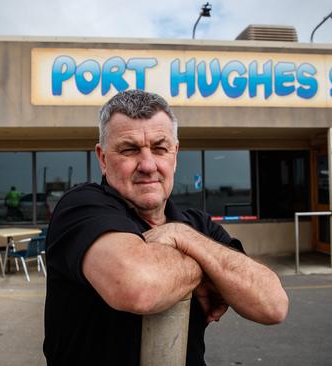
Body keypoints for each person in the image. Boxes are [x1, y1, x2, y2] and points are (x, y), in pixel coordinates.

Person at [43, 90, 288, 365]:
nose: (148, 165)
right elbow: (138, 288)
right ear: (102, 158)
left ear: (175, 154)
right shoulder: (81, 208)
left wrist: (181, 235)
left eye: (160, 148)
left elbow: (273, 305)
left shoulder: (195, 225)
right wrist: (210, 268)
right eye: (129, 149)